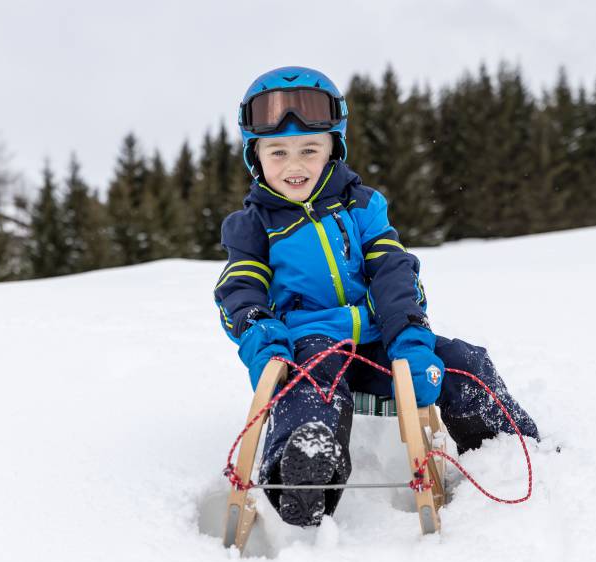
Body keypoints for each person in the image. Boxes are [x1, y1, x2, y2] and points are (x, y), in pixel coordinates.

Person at [215, 66, 539, 527]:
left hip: (378, 335)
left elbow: (393, 271)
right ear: (256, 157)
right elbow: (240, 290)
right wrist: (265, 340)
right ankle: (303, 469)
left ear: (333, 149)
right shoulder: (251, 227)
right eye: (278, 152)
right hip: (310, 343)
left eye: (310, 149)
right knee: (311, 389)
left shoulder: (362, 205)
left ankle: (510, 447)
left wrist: (409, 336)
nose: (295, 165)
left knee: (463, 362)